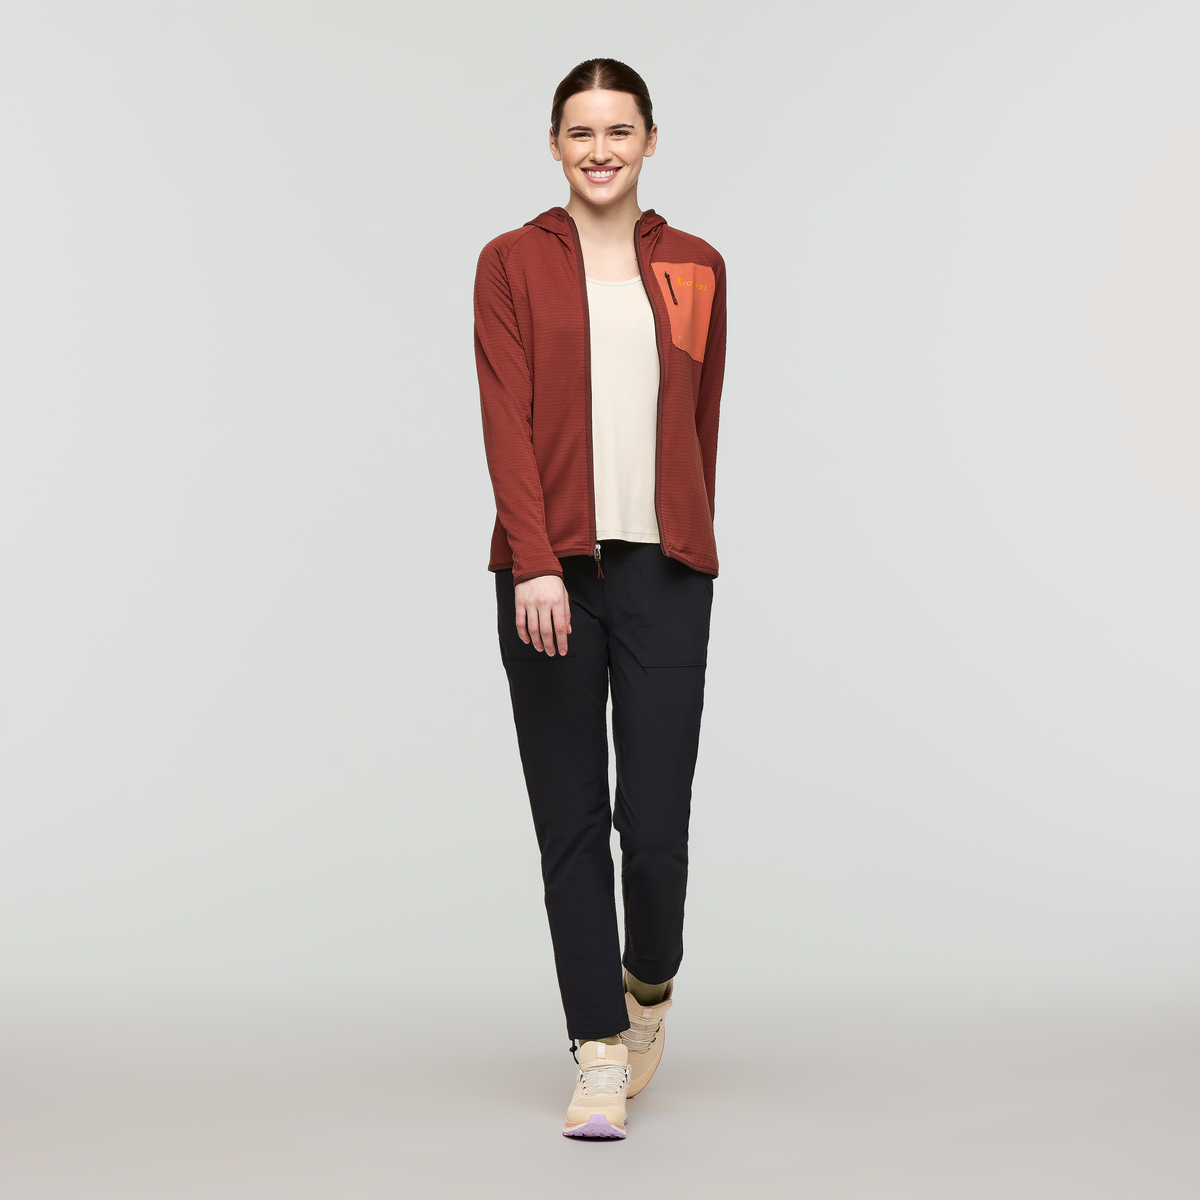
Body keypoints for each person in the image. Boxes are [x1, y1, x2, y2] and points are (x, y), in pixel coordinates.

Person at [473, 58, 726, 1140]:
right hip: (551, 573)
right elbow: (506, 419)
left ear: (650, 140)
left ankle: (648, 982)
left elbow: (702, 419)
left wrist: (690, 535)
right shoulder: (509, 263)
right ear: (555, 145)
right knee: (571, 819)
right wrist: (535, 560)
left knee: (655, 825)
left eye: (619, 131)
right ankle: (598, 1050)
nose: (600, 150)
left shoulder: (698, 267)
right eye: (580, 132)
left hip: (665, 568)